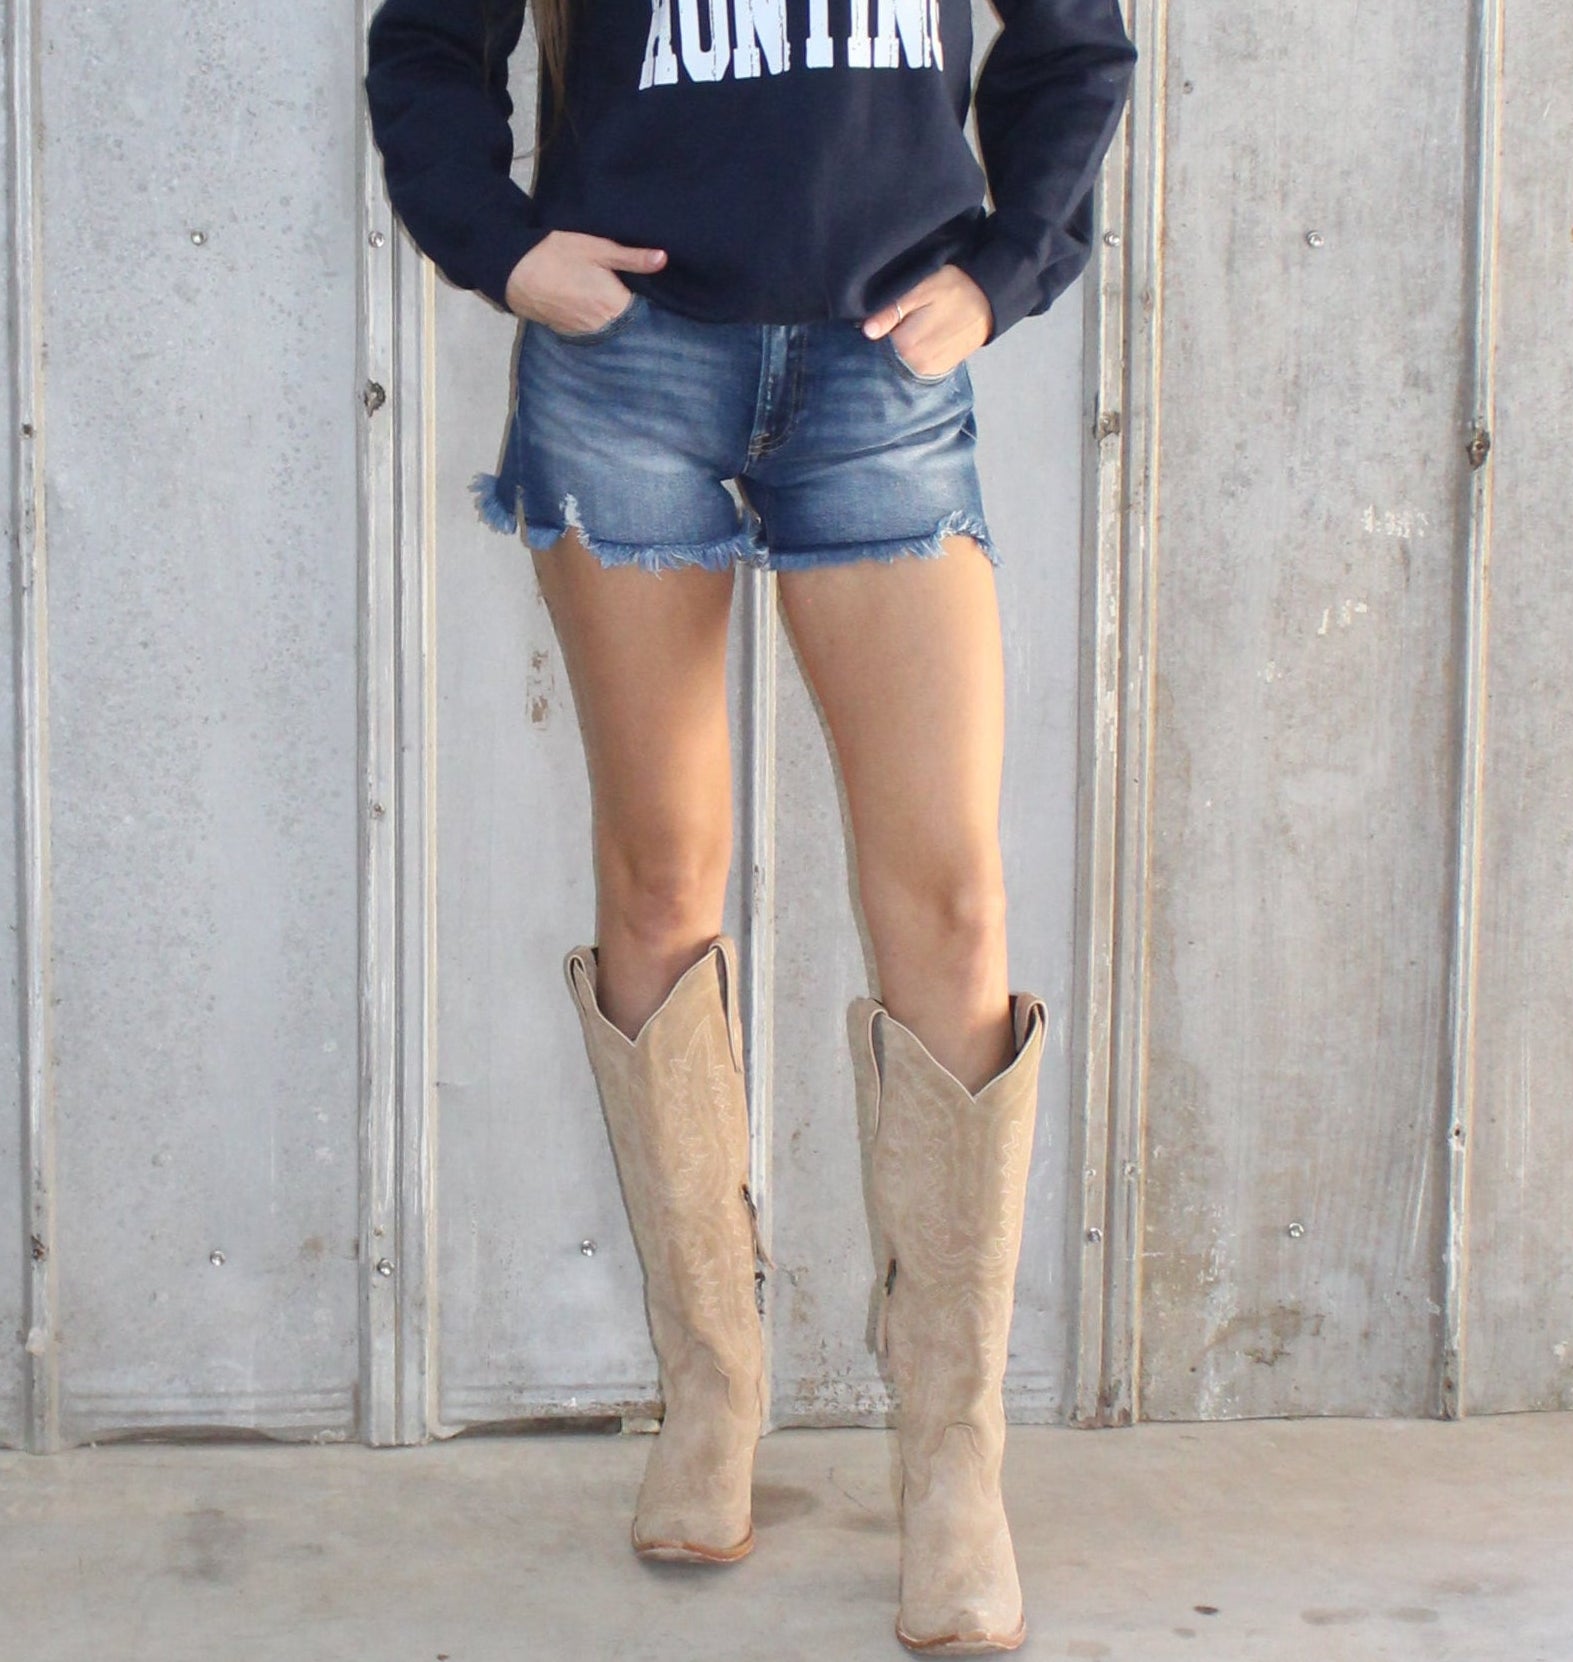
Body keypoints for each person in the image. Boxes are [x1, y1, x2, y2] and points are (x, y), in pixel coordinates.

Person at [363, 0, 1135, 1651]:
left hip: (881, 371)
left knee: (949, 911)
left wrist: (1003, 270)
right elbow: (428, 41)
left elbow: (1074, 41)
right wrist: (503, 251)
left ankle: (952, 1467)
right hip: (626, 368)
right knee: (659, 880)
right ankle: (710, 1395)